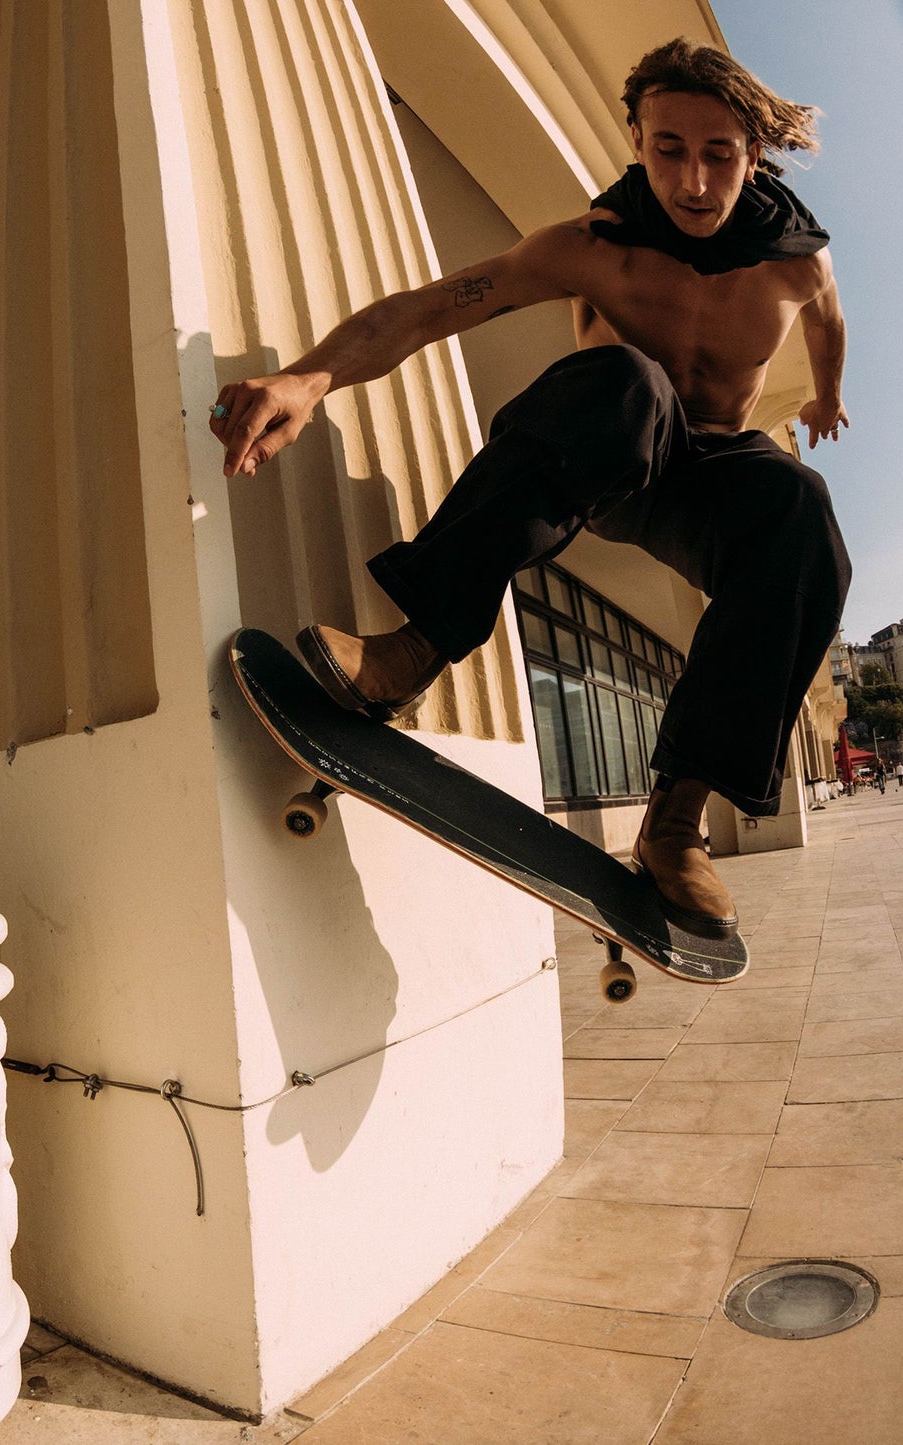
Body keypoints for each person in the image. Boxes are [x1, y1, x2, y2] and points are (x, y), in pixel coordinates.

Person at [209, 39, 852, 940]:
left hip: (713, 480)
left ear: (753, 155)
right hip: (615, 453)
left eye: (719, 156)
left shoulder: (795, 263)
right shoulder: (592, 250)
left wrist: (827, 395)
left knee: (803, 511)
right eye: (669, 150)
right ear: (635, 138)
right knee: (625, 380)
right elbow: (432, 307)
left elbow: (827, 325)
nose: (695, 183)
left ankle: (674, 822)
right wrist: (310, 379)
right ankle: (415, 646)